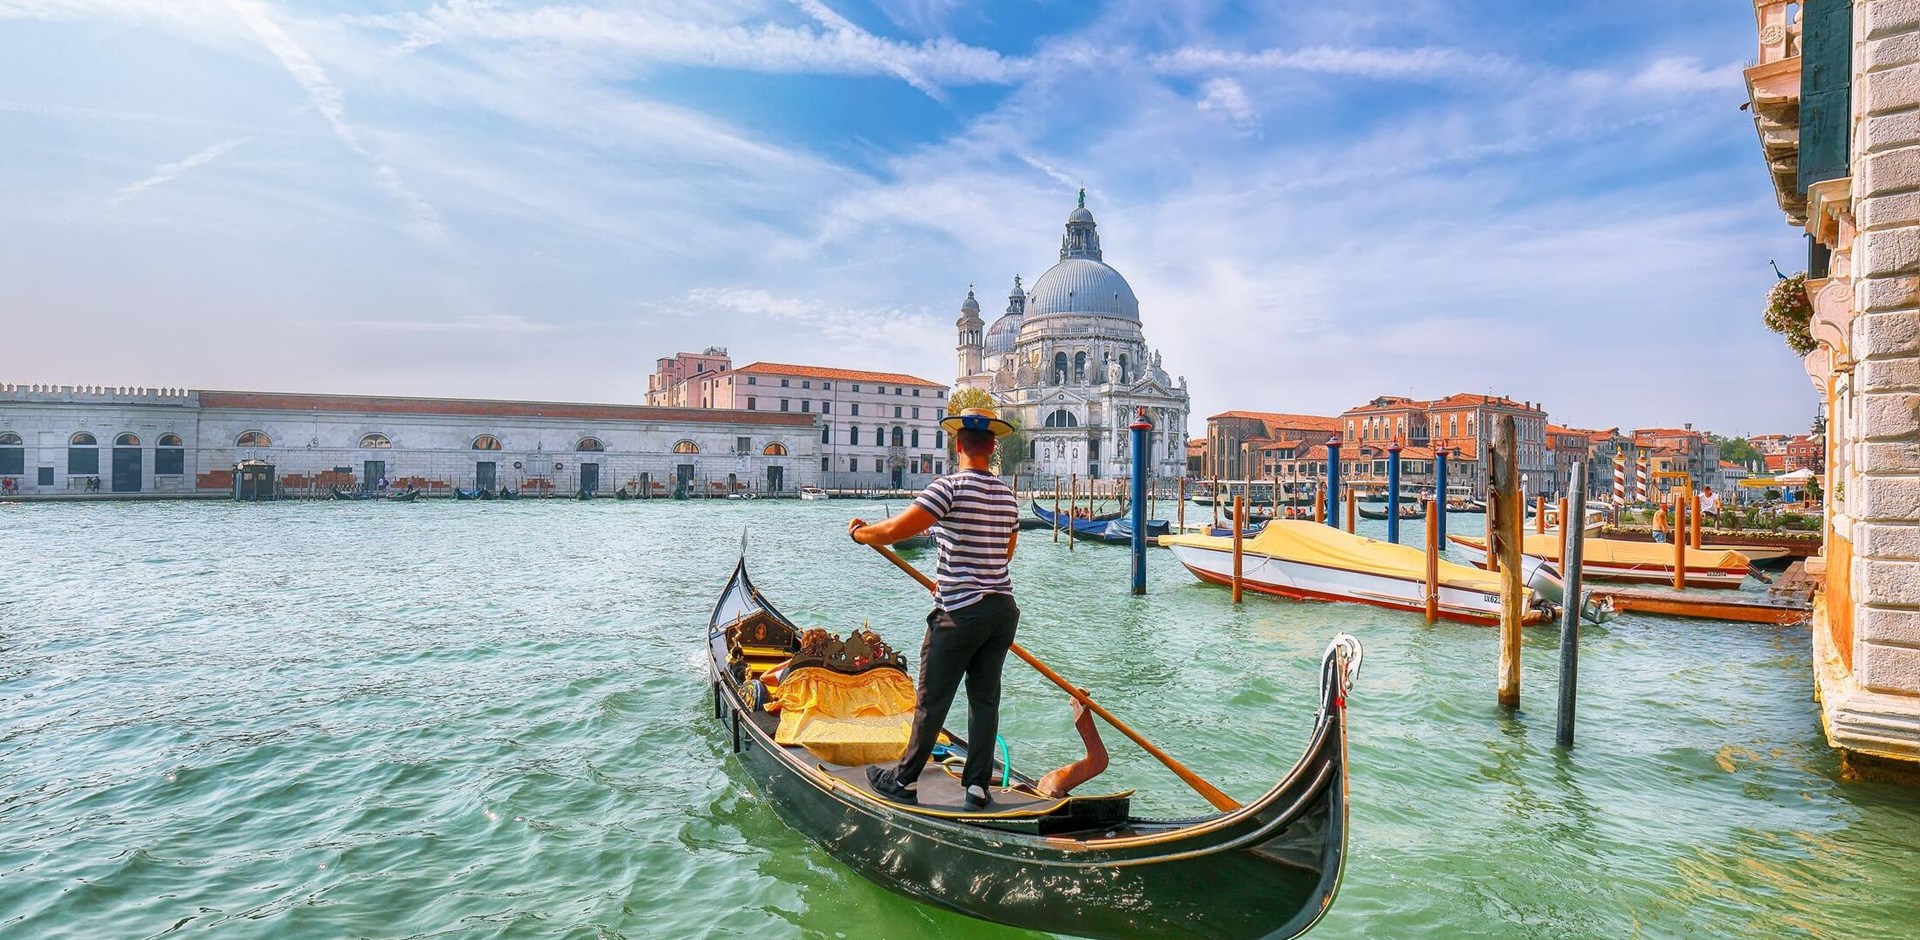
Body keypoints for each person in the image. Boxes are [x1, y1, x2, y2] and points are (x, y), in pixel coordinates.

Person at [848, 406, 1020, 811]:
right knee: (984, 700)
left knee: (932, 698)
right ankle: (977, 786)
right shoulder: (1007, 496)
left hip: (960, 612)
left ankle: (903, 780)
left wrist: (859, 534)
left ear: (958, 444)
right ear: (992, 447)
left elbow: (893, 531)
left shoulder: (949, 488)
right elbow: (1005, 554)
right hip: (1002, 609)